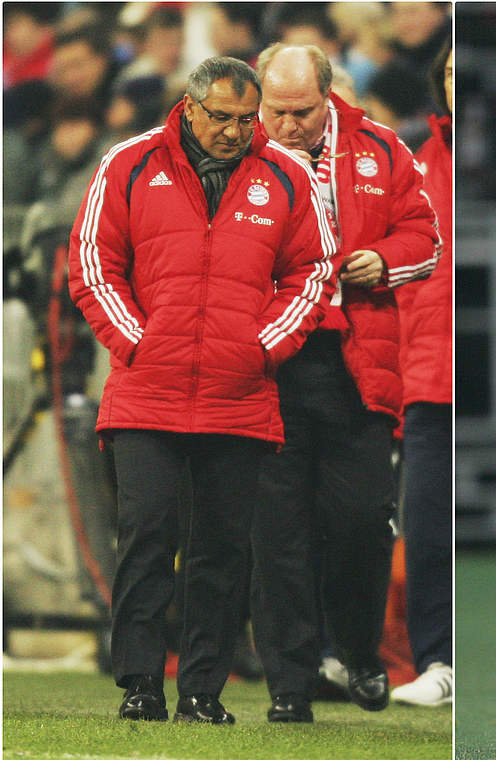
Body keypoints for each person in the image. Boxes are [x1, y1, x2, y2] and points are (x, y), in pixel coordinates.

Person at [66, 55, 337, 724]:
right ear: (188, 108)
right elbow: (93, 261)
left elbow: (314, 273)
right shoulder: (127, 164)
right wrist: (139, 342)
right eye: (221, 117)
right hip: (146, 393)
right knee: (146, 537)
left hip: (238, 395)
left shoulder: (285, 175)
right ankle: (139, 682)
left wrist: (262, 348)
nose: (235, 131)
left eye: (247, 120)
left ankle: (201, 692)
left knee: (221, 552)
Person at [249, 42, 440, 724]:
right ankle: (290, 687)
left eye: (303, 111)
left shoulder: (383, 150)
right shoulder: (239, 156)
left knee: (360, 522)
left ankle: (358, 650)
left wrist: (382, 260)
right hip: (271, 365)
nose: (289, 124)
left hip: (358, 369)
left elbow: (426, 237)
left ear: (330, 97)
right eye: (277, 110)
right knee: (279, 534)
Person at [390, 40, 452, 709]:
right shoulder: (412, 161)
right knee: (428, 526)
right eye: (449, 72)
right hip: (428, 371)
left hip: (465, 364)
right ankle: (438, 660)